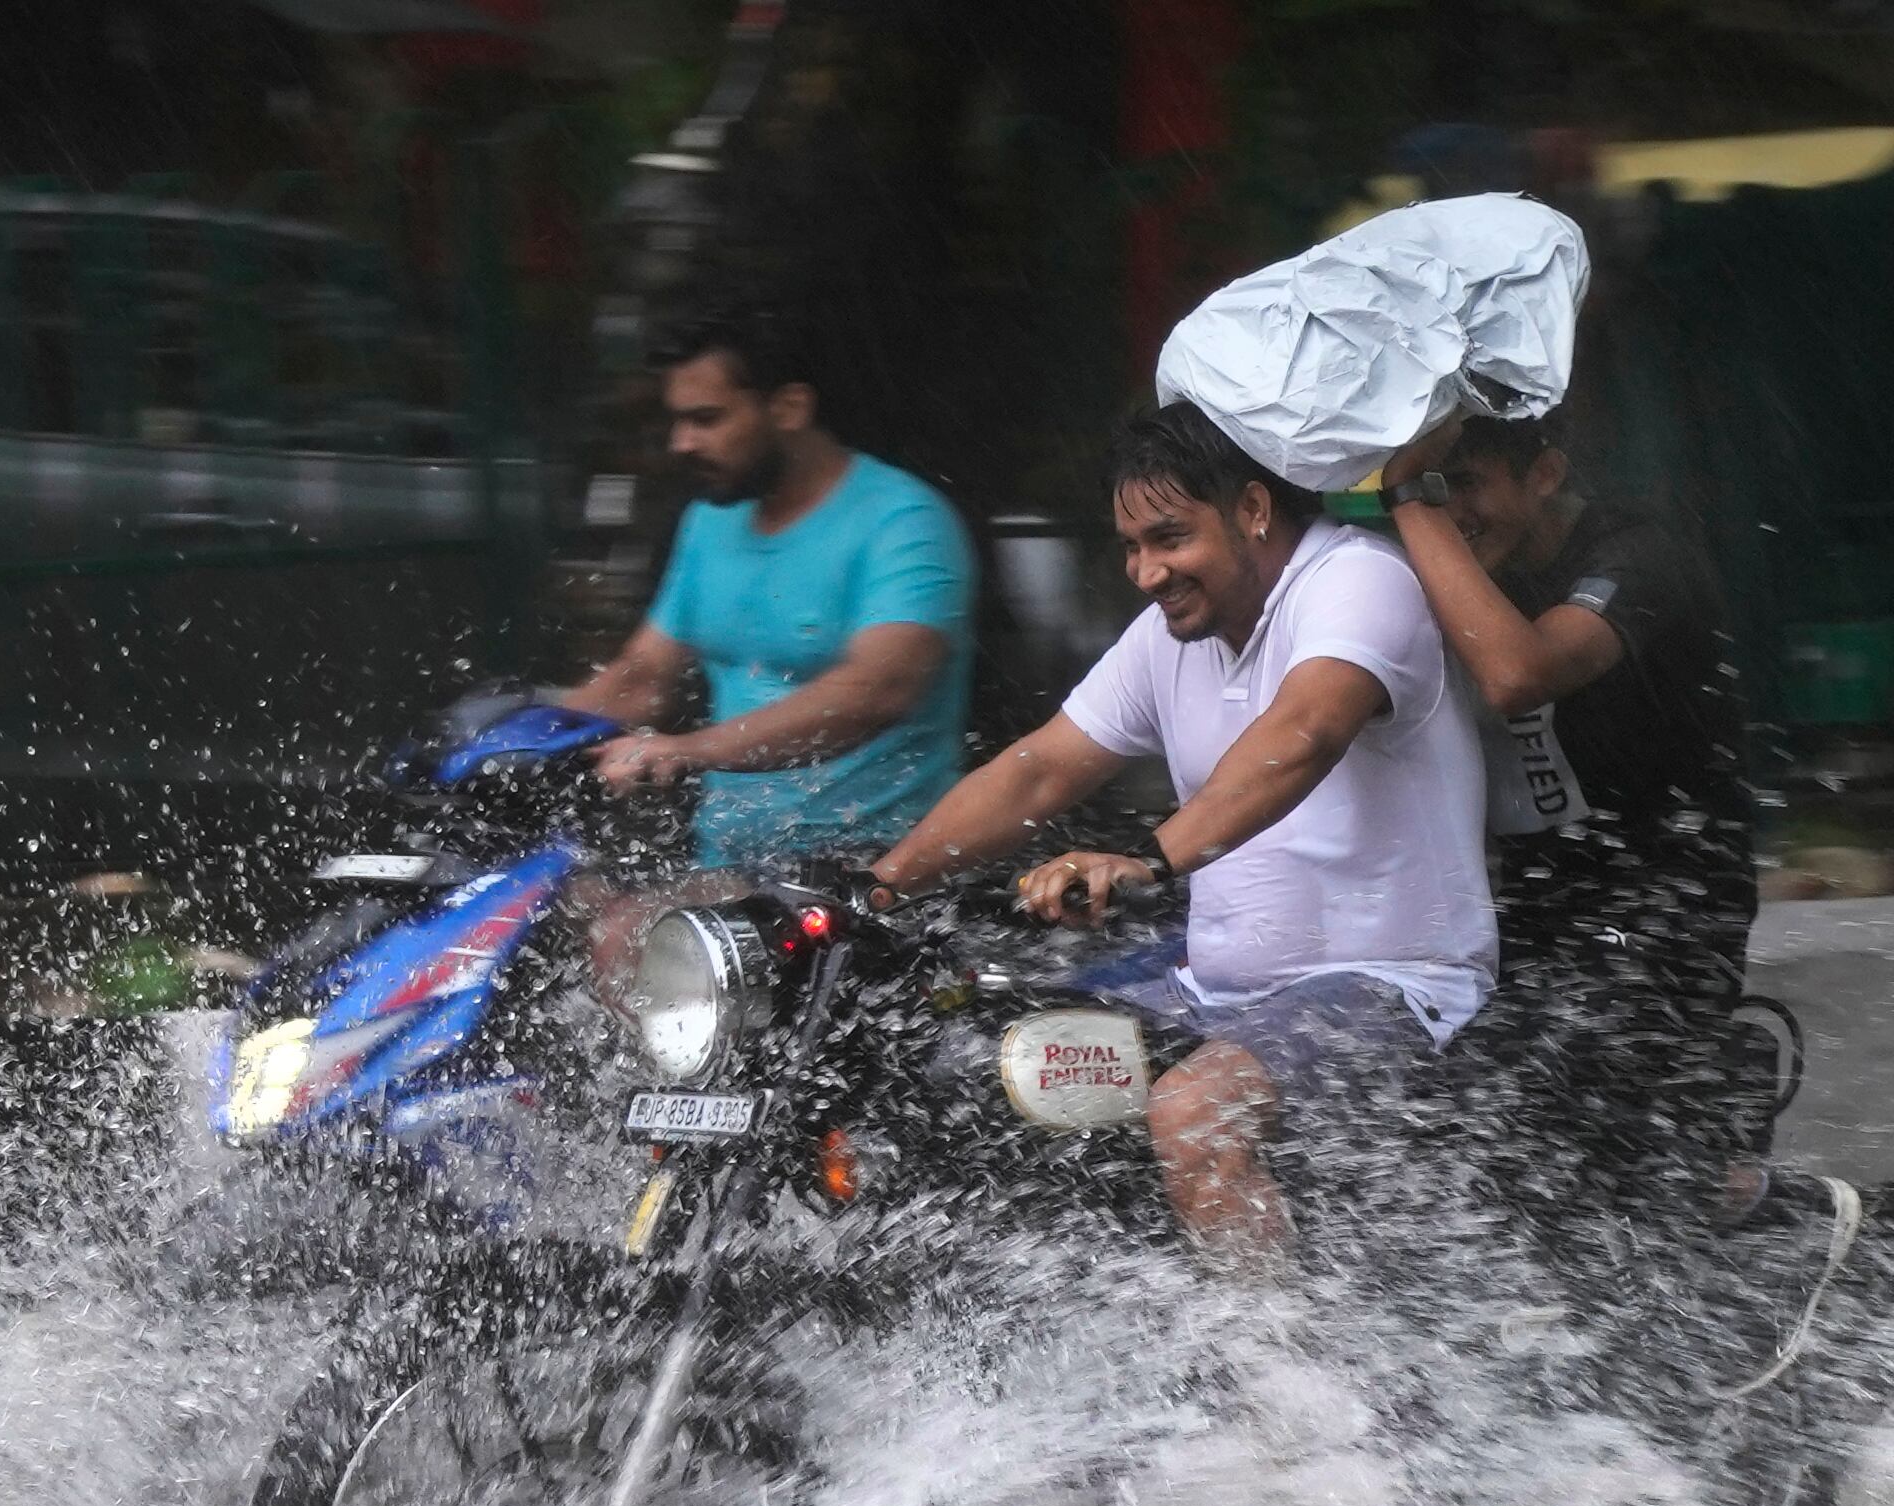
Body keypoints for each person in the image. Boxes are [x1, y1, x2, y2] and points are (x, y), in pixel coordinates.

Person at [868, 401, 1495, 1269]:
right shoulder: (1172, 634)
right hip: (1212, 995)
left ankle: (1285, 1390)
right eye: (1129, 547)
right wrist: (881, 890)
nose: (1145, 571)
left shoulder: (1356, 579)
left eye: (1168, 538)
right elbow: (1038, 771)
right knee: (978, 1073)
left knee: (1194, 1110)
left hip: (1394, 985)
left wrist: (1149, 858)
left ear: (1252, 509)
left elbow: (1303, 733)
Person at [1375, 409, 1765, 1179]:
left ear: (1545, 474)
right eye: (1431, 486)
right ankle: (1716, 1127)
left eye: (1465, 484)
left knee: (1591, 1123)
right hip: (1535, 892)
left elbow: (1520, 674)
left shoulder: (1638, 552)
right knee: (1529, 1143)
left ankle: (1873, 1231)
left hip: (1664, 890)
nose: (1449, 511)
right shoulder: (1459, 558)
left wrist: (1404, 498)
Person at [557, 304, 977, 869]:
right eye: (677, 421)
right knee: (554, 905)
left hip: (876, 879)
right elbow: (644, 680)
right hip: (726, 871)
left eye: (706, 420)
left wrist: (683, 751)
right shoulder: (709, 519)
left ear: (789, 408)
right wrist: (515, 724)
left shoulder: (904, 523)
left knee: (616, 932)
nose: (681, 443)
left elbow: (876, 690)